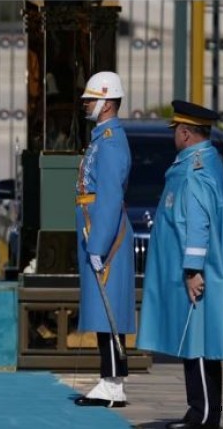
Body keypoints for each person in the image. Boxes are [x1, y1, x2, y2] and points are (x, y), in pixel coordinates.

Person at [136, 100, 223, 429]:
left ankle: (204, 417)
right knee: (195, 344)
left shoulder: (194, 171)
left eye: (176, 130)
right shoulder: (203, 162)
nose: (174, 136)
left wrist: (193, 270)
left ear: (186, 133)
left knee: (199, 345)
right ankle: (198, 411)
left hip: (198, 274)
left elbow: (198, 224)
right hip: (199, 270)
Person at [73, 71, 135, 408]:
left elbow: (110, 198)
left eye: (92, 100)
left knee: (109, 310)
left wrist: (98, 245)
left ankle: (113, 382)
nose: (86, 104)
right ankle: (109, 380)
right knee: (102, 309)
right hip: (95, 226)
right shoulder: (102, 138)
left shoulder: (110, 142)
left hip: (104, 234)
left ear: (108, 103)